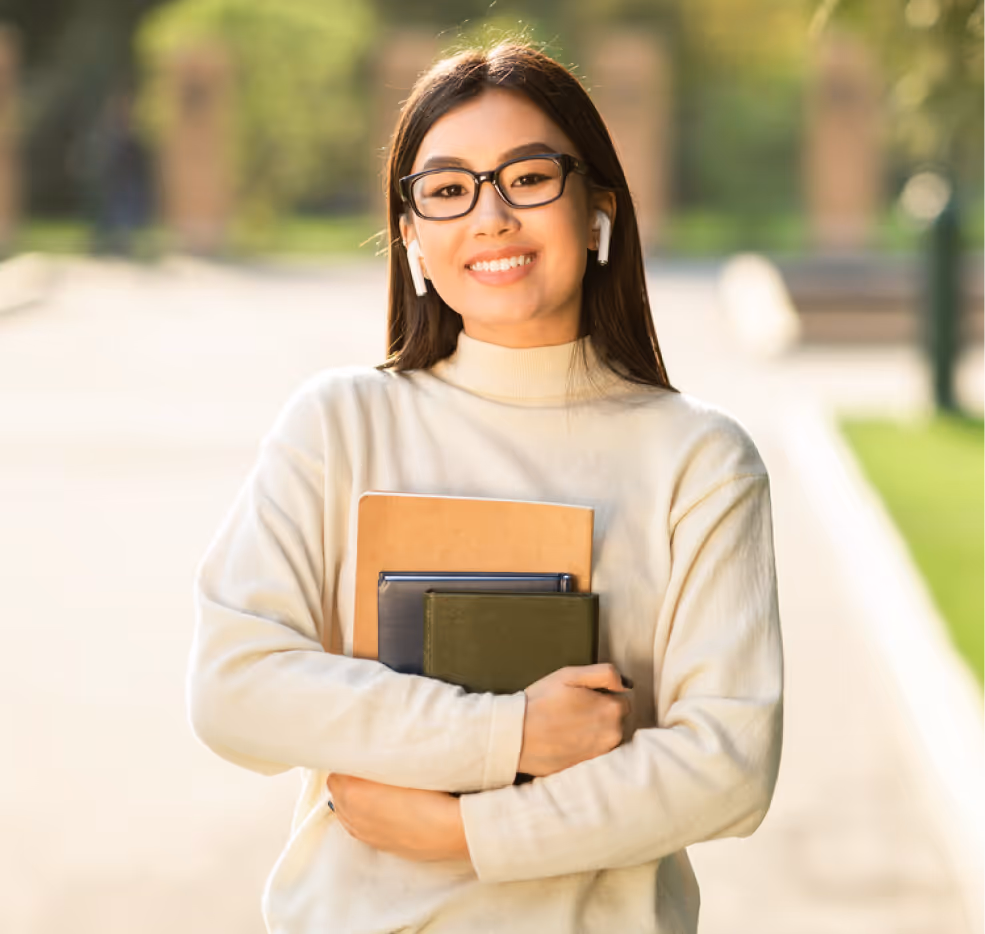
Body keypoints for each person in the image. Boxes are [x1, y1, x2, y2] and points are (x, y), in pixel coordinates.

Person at [188, 40, 784, 934]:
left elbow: (728, 764)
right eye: (448, 188)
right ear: (412, 239)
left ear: (597, 211)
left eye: (529, 177)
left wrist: (470, 830)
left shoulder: (698, 460)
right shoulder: (340, 425)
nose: (491, 216)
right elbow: (234, 688)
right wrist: (505, 735)